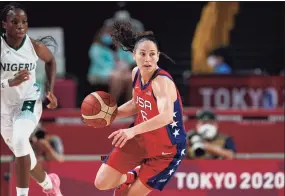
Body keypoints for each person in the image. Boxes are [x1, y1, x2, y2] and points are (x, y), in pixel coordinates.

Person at [94, 22, 187, 196]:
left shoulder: (161, 82)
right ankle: (131, 175)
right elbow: (136, 103)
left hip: (166, 150)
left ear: (158, 56)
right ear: (134, 55)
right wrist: (109, 115)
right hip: (141, 139)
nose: (147, 59)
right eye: (142, 54)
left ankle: (134, 175)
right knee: (101, 183)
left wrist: (131, 131)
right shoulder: (136, 73)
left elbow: (166, 116)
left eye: (152, 54)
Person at [0, 3, 62, 196]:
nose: (20, 26)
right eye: (15, 22)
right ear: (4, 24)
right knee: (24, 154)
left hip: (29, 101)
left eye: (24, 22)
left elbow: (51, 61)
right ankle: (49, 185)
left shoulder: (33, 46)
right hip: (4, 108)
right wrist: (10, 82)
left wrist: (49, 91)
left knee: (20, 139)